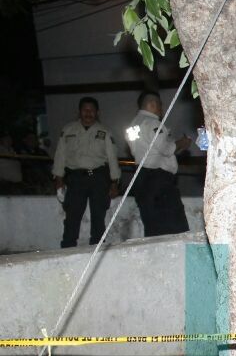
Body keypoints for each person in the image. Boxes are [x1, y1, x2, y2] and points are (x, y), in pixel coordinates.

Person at [51, 97, 121, 248]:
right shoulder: (68, 130)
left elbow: (112, 159)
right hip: (75, 179)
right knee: (72, 218)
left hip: (99, 178)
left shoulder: (105, 132)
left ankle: (97, 250)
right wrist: (58, 180)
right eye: (85, 110)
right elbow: (60, 156)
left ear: (97, 112)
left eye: (91, 110)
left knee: (98, 217)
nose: (88, 113)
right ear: (79, 112)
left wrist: (115, 182)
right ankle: (68, 250)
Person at [125, 91, 191, 237]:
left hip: (142, 178)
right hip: (159, 180)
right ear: (152, 104)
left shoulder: (133, 124)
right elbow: (166, 149)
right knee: (175, 226)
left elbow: (142, 150)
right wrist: (182, 143)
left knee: (153, 227)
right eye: (160, 105)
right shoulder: (153, 123)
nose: (162, 109)